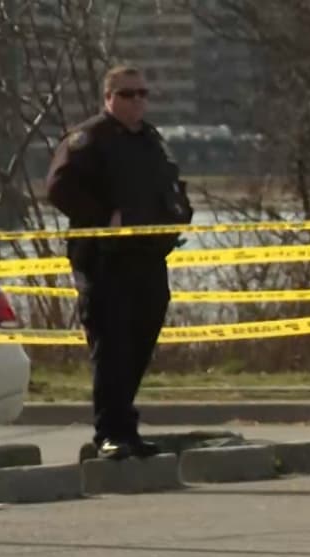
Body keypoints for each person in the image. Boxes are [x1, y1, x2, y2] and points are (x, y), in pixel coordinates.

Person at [45, 65, 193, 460]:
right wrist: (102, 216)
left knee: (140, 342)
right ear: (109, 98)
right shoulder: (89, 138)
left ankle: (126, 428)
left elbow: (172, 183)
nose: (137, 101)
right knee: (112, 348)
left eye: (143, 93)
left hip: (148, 258)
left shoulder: (151, 140)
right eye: (128, 94)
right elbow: (58, 187)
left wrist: (179, 215)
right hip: (104, 261)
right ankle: (109, 434)